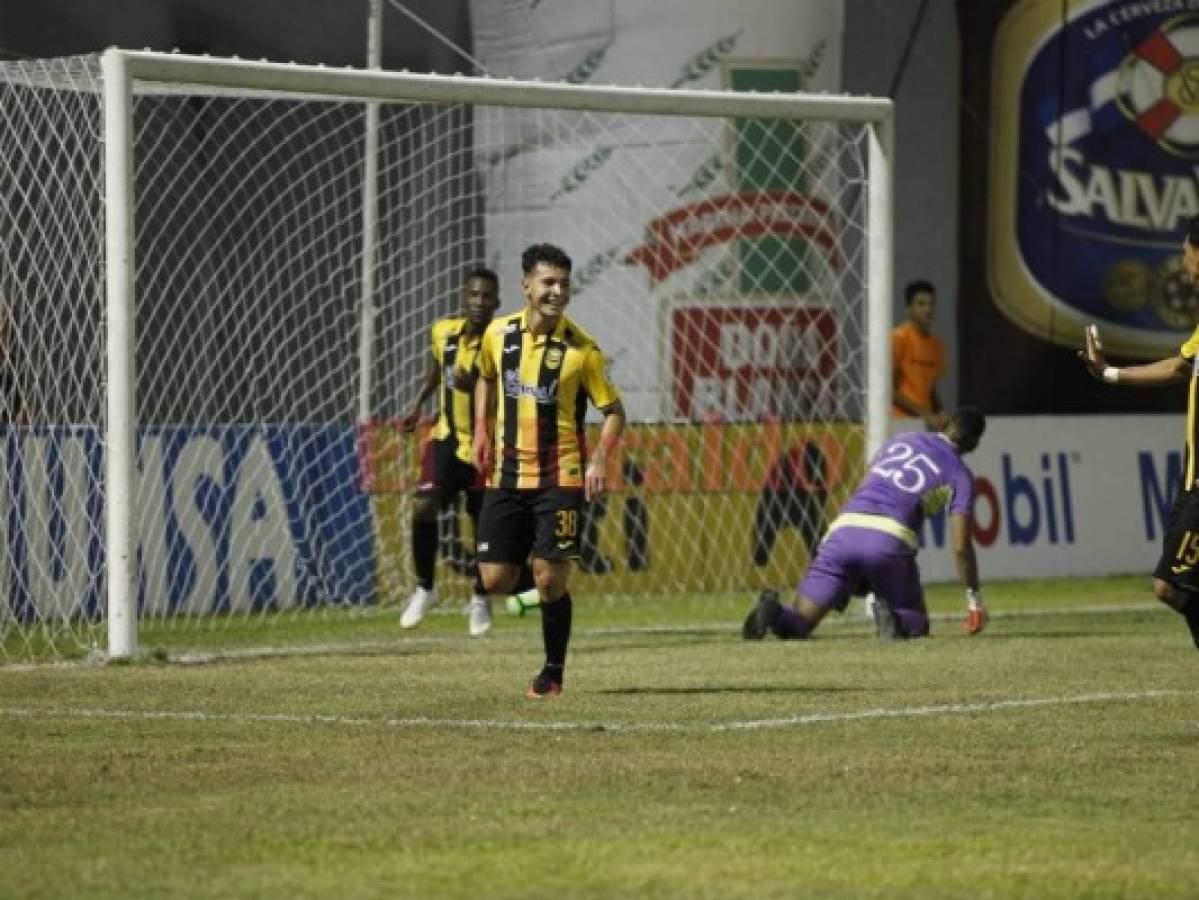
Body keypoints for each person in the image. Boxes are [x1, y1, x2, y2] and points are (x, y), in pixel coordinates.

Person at [473, 243, 626, 698]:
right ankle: (543, 586)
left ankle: (552, 672)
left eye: (563, 284)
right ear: (526, 286)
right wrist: (481, 429)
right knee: (494, 580)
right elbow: (484, 376)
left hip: (561, 475)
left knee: (548, 577)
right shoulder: (497, 336)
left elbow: (614, 411)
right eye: (548, 283)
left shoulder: (583, 351)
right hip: (505, 472)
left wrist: (599, 457)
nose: (557, 292)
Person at [742, 406, 989, 641]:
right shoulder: (959, 473)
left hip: (843, 531)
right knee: (917, 624)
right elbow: (960, 547)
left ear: (947, 424)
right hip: (888, 538)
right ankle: (893, 619)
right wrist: (973, 599)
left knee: (799, 621)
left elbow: (867, 483)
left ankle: (774, 612)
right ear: (974, 443)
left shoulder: (900, 441)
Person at [1079, 214, 1199, 651]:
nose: (1184, 266)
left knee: (1170, 586)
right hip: (1192, 480)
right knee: (1184, 588)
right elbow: (1179, 367)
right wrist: (1109, 374)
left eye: (1187, 254)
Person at [397, 267, 535, 636]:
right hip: (446, 439)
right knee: (423, 506)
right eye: (474, 295)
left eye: (487, 296)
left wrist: (474, 382)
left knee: (482, 527)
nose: (479, 302)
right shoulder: (444, 332)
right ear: (464, 296)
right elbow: (436, 369)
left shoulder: (505, 342)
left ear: (497, 303)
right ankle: (425, 587)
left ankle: (479, 598)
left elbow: (512, 388)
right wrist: (418, 404)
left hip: (486, 446)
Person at [892, 279, 949, 430]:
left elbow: (930, 390)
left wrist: (940, 412)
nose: (927, 309)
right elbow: (889, 390)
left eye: (931, 304)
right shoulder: (899, 339)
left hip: (924, 423)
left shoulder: (937, 346)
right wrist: (923, 413)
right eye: (921, 304)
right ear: (909, 309)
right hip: (899, 422)